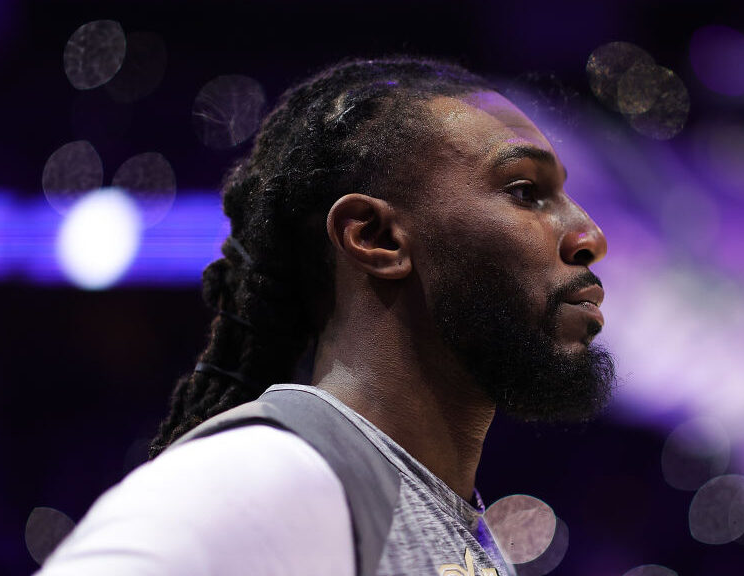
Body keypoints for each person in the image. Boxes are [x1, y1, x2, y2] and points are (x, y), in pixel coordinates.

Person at [37, 56, 614, 576]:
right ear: (376, 236)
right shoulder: (270, 476)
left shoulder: (455, 525)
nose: (590, 236)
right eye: (524, 190)